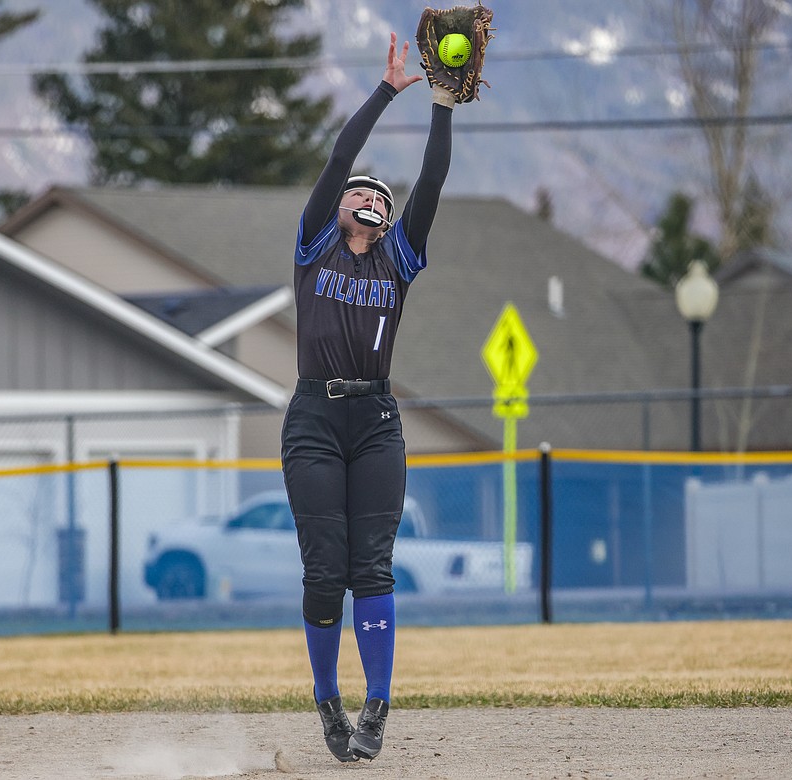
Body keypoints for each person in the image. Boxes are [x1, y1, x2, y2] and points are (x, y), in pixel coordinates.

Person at [280, 30, 455, 763]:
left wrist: (443, 104)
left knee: (371, 567)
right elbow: (338, 160)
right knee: (326, 572)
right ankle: (328, 703)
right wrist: (387, 91)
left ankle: (377, 707)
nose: (365, 195)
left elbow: (433, 181)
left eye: (377, 195)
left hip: (377, 419)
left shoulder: (398, 257)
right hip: (315, 416)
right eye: (359, 193)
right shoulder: (315, 243)